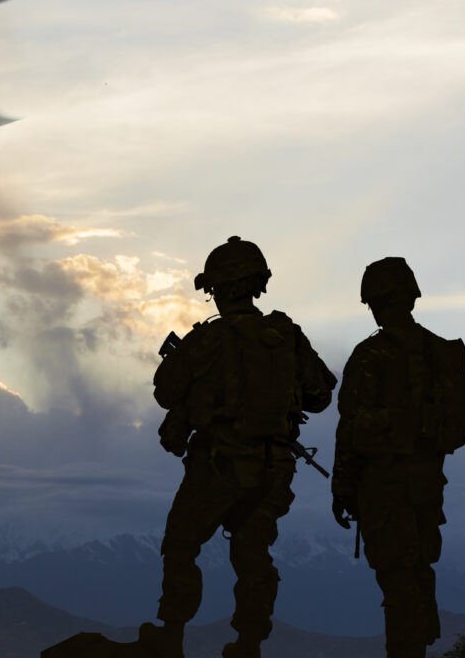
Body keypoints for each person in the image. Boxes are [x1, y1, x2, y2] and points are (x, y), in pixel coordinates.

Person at [142, 235, 336, 658]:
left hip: (218, 466)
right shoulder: (285, 336)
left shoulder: (205, 341)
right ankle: (249, 644)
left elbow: (164, 391)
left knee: (181, 545)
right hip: (273, 468)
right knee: (252, 555)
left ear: (216, 288)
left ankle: (171, 637)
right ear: (256, 284)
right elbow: (321, 395)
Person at [331, 257, 465, 658]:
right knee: (415, 574)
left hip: (385, 490)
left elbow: (350, 429)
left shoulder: (369, 356)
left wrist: (342, 487)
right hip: (427, 489)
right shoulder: (443, 354)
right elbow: (457, 431)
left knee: (398, 581)